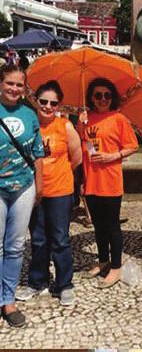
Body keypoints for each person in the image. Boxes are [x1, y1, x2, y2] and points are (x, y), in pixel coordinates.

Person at [16, 81, 82, 306]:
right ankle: (37, 281)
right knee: (38, 239)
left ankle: (64, 284)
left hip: (60, 191)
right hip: (34, 191)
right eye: (43, 101)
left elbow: (77, 157)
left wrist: (59, 173)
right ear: (36, 101)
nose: (48, 106)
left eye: (53, 103)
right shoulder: (29, 124)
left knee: (60, 239)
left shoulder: (65, 126)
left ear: (58, 105)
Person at [79, 78, 138, 288]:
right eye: (98, 95)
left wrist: (112, 156)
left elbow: (133, 146)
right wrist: (81, 123)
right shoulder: (86, 119)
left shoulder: (118, 118)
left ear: (112, 97)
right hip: (91, 179)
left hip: (110, 180)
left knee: (112, 225)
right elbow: (81, 146)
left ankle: (115, 266)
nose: (102, 99)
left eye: (107, 95)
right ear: (91, 98)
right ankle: (103, 260)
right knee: (98, 225)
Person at [0, 64, 44, 327]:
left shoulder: (29, 114)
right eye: (10, 83)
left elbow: (38, 152)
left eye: (19, 85)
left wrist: (40, 186)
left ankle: (8, 300)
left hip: (24, 187)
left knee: (16, 247)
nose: (14, 89)